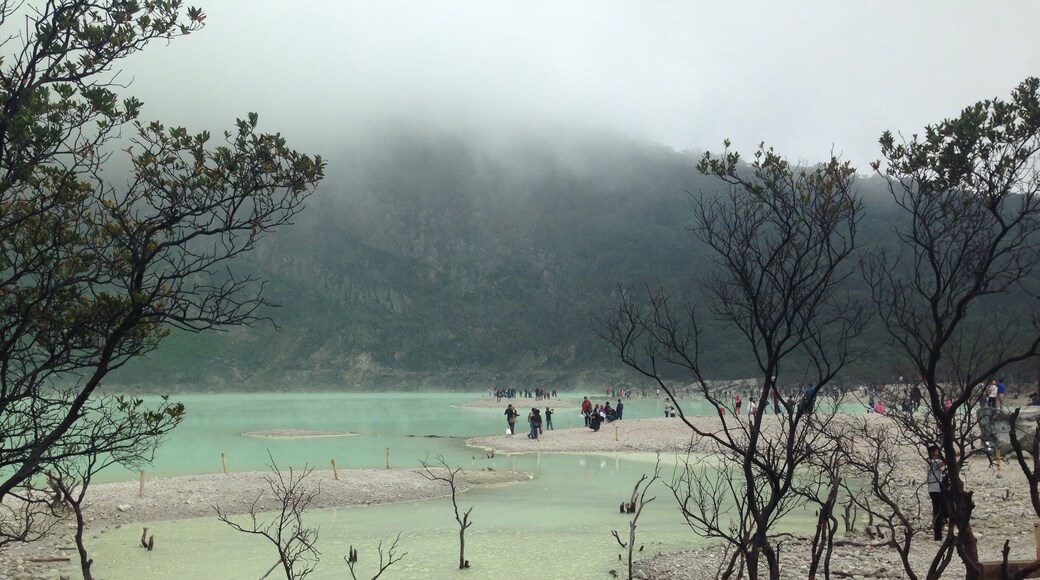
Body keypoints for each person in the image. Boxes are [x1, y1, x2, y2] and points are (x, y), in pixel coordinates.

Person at [926, 445, 947, 541]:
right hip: (935, 490)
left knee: (942, 510)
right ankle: (937, 535)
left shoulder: (932, 462)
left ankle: (940, 529)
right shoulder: (932, 462)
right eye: (936, 452)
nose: (938, 453)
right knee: (938, 512)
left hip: (937, 489)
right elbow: (942, 463)